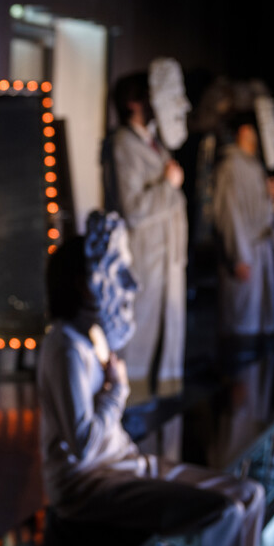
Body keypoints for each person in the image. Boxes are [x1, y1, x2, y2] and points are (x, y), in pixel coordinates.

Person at [37, 211, 264, 546]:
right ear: (85, 283)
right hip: (87, 484)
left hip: (125, 462)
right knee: (223, 512)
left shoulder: (92, 336)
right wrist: (116, 390)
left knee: (250, 494)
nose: (133, 284)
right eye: (119, 273)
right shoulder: (65, 347)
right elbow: (83, 445)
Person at [103, 62, 189, 398]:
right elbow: (133, 209)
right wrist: (168, 186)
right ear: (134, 102)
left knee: (162, 331)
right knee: (140, 330)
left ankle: (156, 396)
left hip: (165, 258)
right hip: (144, 256)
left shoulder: (153, 143)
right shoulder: (123, 144)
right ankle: (131, 400)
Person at [213, 110, 274, 338]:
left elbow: (265, 213)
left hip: (261, 252)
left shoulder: (255, 165)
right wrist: (239, 256)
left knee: (262, 322)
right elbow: (228, 213)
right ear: (245, 132)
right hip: (246, 252)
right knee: (243, 321)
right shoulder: (230, 166)